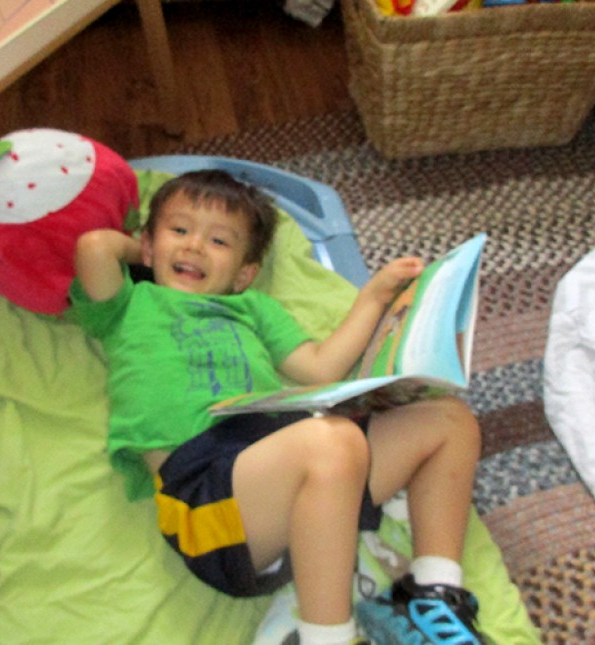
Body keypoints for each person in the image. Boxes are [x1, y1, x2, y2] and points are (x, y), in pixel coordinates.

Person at [69, 170, 482, 645]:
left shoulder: (254, 309)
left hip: (311, 484)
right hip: (209, 500)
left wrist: (374, 297)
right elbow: (94, 247)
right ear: (147, 246)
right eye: (179, 231)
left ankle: (431, 594)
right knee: (331, 439)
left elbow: (321, 368)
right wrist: (142, 252)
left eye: (219, 241)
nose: (195, 247)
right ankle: (325, 635)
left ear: (246, 272)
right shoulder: (128, 305)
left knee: (448, 419)